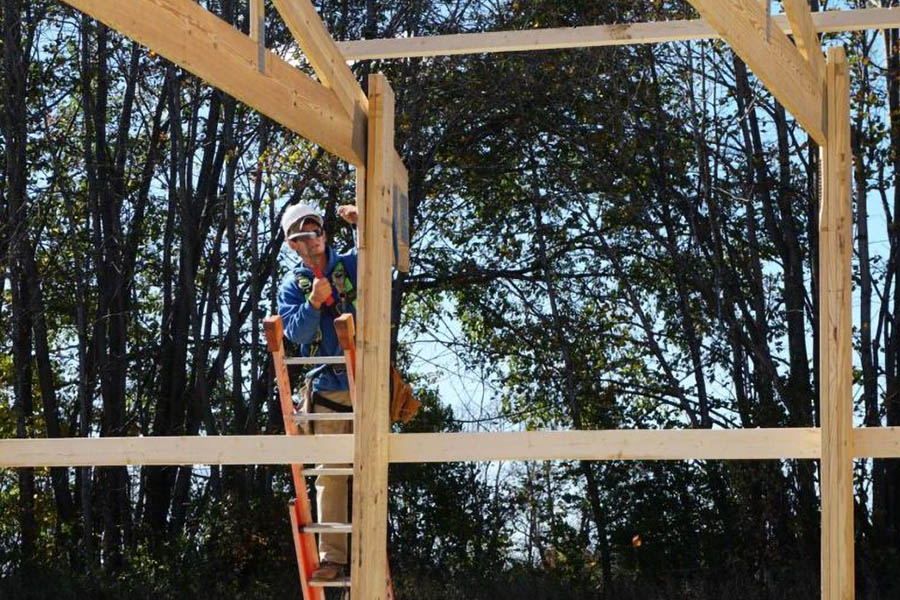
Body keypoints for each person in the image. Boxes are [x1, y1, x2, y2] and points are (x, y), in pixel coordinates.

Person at [277, 202, 358, 582]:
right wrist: (312, 302)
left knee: (373, 470)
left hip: (367, 382)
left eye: (316, 231)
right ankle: (333, 558)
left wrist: (360, 227)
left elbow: (382, 262)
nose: (312, 240)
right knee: (330, 475)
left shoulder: (350, 265)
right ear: (292, 244)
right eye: (303, 235)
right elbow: (297, 334)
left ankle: (369, 551)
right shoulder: (293, 286)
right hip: (329, 388)